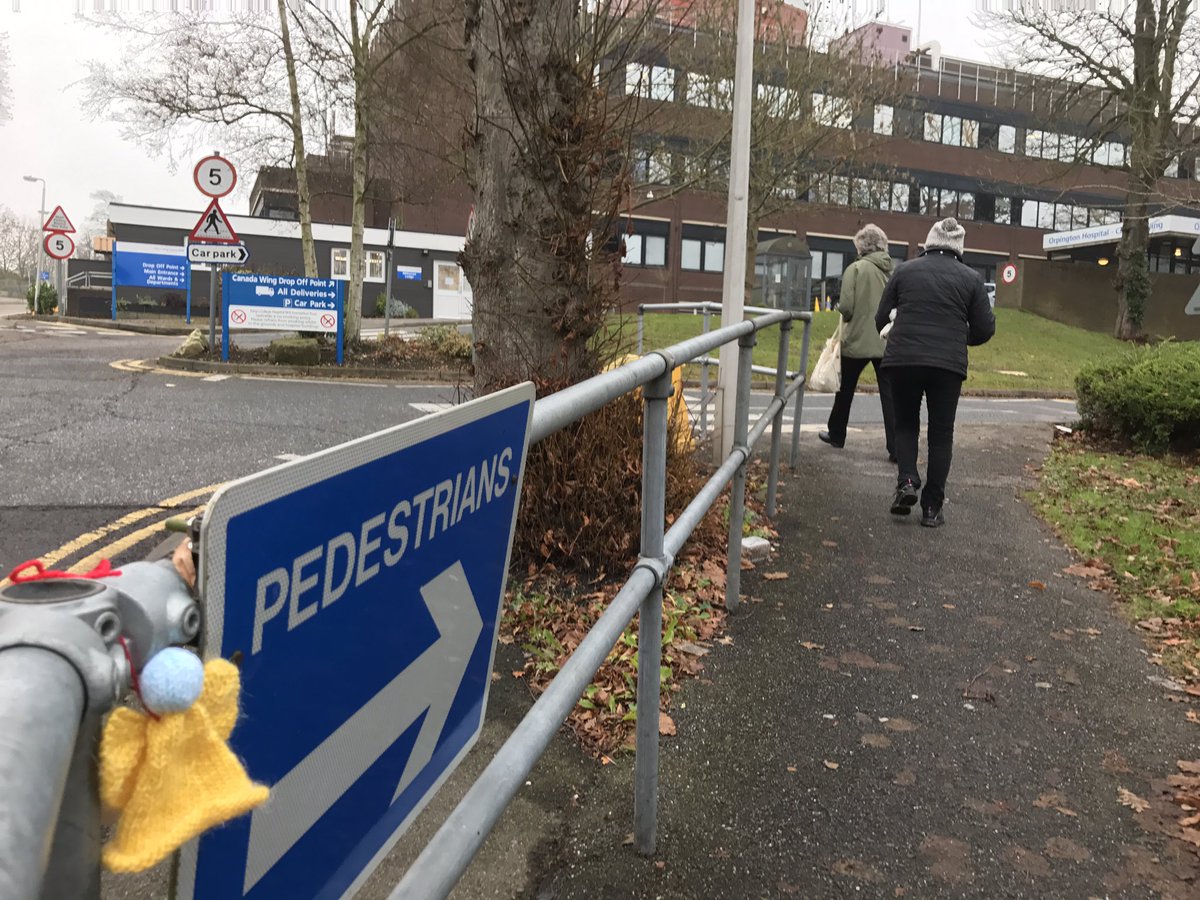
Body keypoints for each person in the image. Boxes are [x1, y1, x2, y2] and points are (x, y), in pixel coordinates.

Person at [875, 217, 995, 528]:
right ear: (959, 247)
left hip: (903, 359)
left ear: (929, 242)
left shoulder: (904, 270)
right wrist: (959, 337)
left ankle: (907, 481)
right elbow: (985, 328)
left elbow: (879, 318)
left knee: (906, 423)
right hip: (947, 366)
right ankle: (931, 508)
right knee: (941, 434)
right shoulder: (971, 279)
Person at [819, 223, 896, 460]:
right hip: (884, 340)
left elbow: (848, 308)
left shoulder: (855, 269)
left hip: (856, 340)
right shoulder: (890, 271)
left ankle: (837, 433)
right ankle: (896, 447)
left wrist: (840, 306)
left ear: (862, 246)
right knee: (890, 395)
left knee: (845, 390)